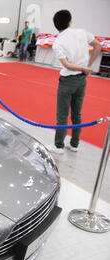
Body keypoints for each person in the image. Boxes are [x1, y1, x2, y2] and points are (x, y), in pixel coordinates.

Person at [47, 10, 102, 154]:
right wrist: (88, 66)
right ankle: (74, 144)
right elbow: (98, 46)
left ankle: (58, 146)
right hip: (81, 80)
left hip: (67, 81)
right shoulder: (82, 32)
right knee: (77, 114)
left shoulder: (58, 41)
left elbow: (66, 65)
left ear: (56, 26)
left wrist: (84, 67)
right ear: (70, 21)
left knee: (62, 115)